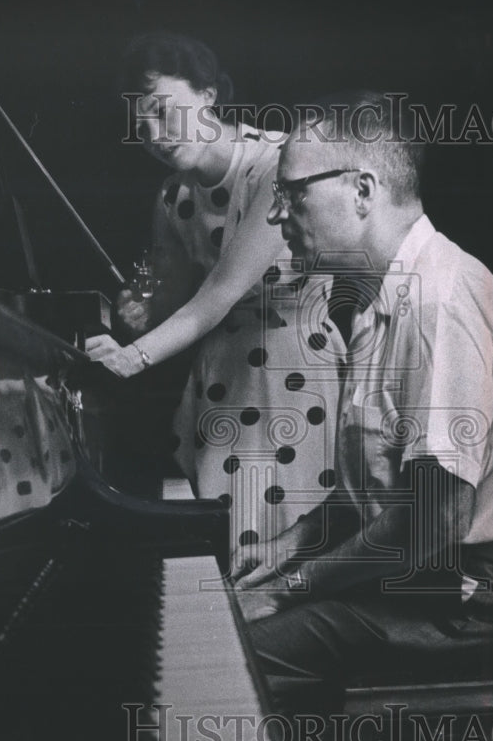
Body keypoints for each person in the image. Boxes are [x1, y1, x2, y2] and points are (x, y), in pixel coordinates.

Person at [233, 90, 493, 697]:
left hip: (468, 595)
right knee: (239, 628)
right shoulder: (382, 299)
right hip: (420, 574)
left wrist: (283, 589)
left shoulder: (439, 304)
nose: (276, 217)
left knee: (236, 664)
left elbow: (429, 529)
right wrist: (278, 553)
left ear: (362, 190)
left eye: (293, 193)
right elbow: (375, 496)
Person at [86, 34, 344, 552]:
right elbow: (173, 299)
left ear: (207, 95)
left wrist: (134, 356)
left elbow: (219, 292)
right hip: (219, 378)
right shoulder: (173, 194)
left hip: (289, 372)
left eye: (164, 111)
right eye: (142, 127)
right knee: (222, 542)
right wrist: (139, 310)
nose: (156, 136)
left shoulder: (277, 164)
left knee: (280, 542)